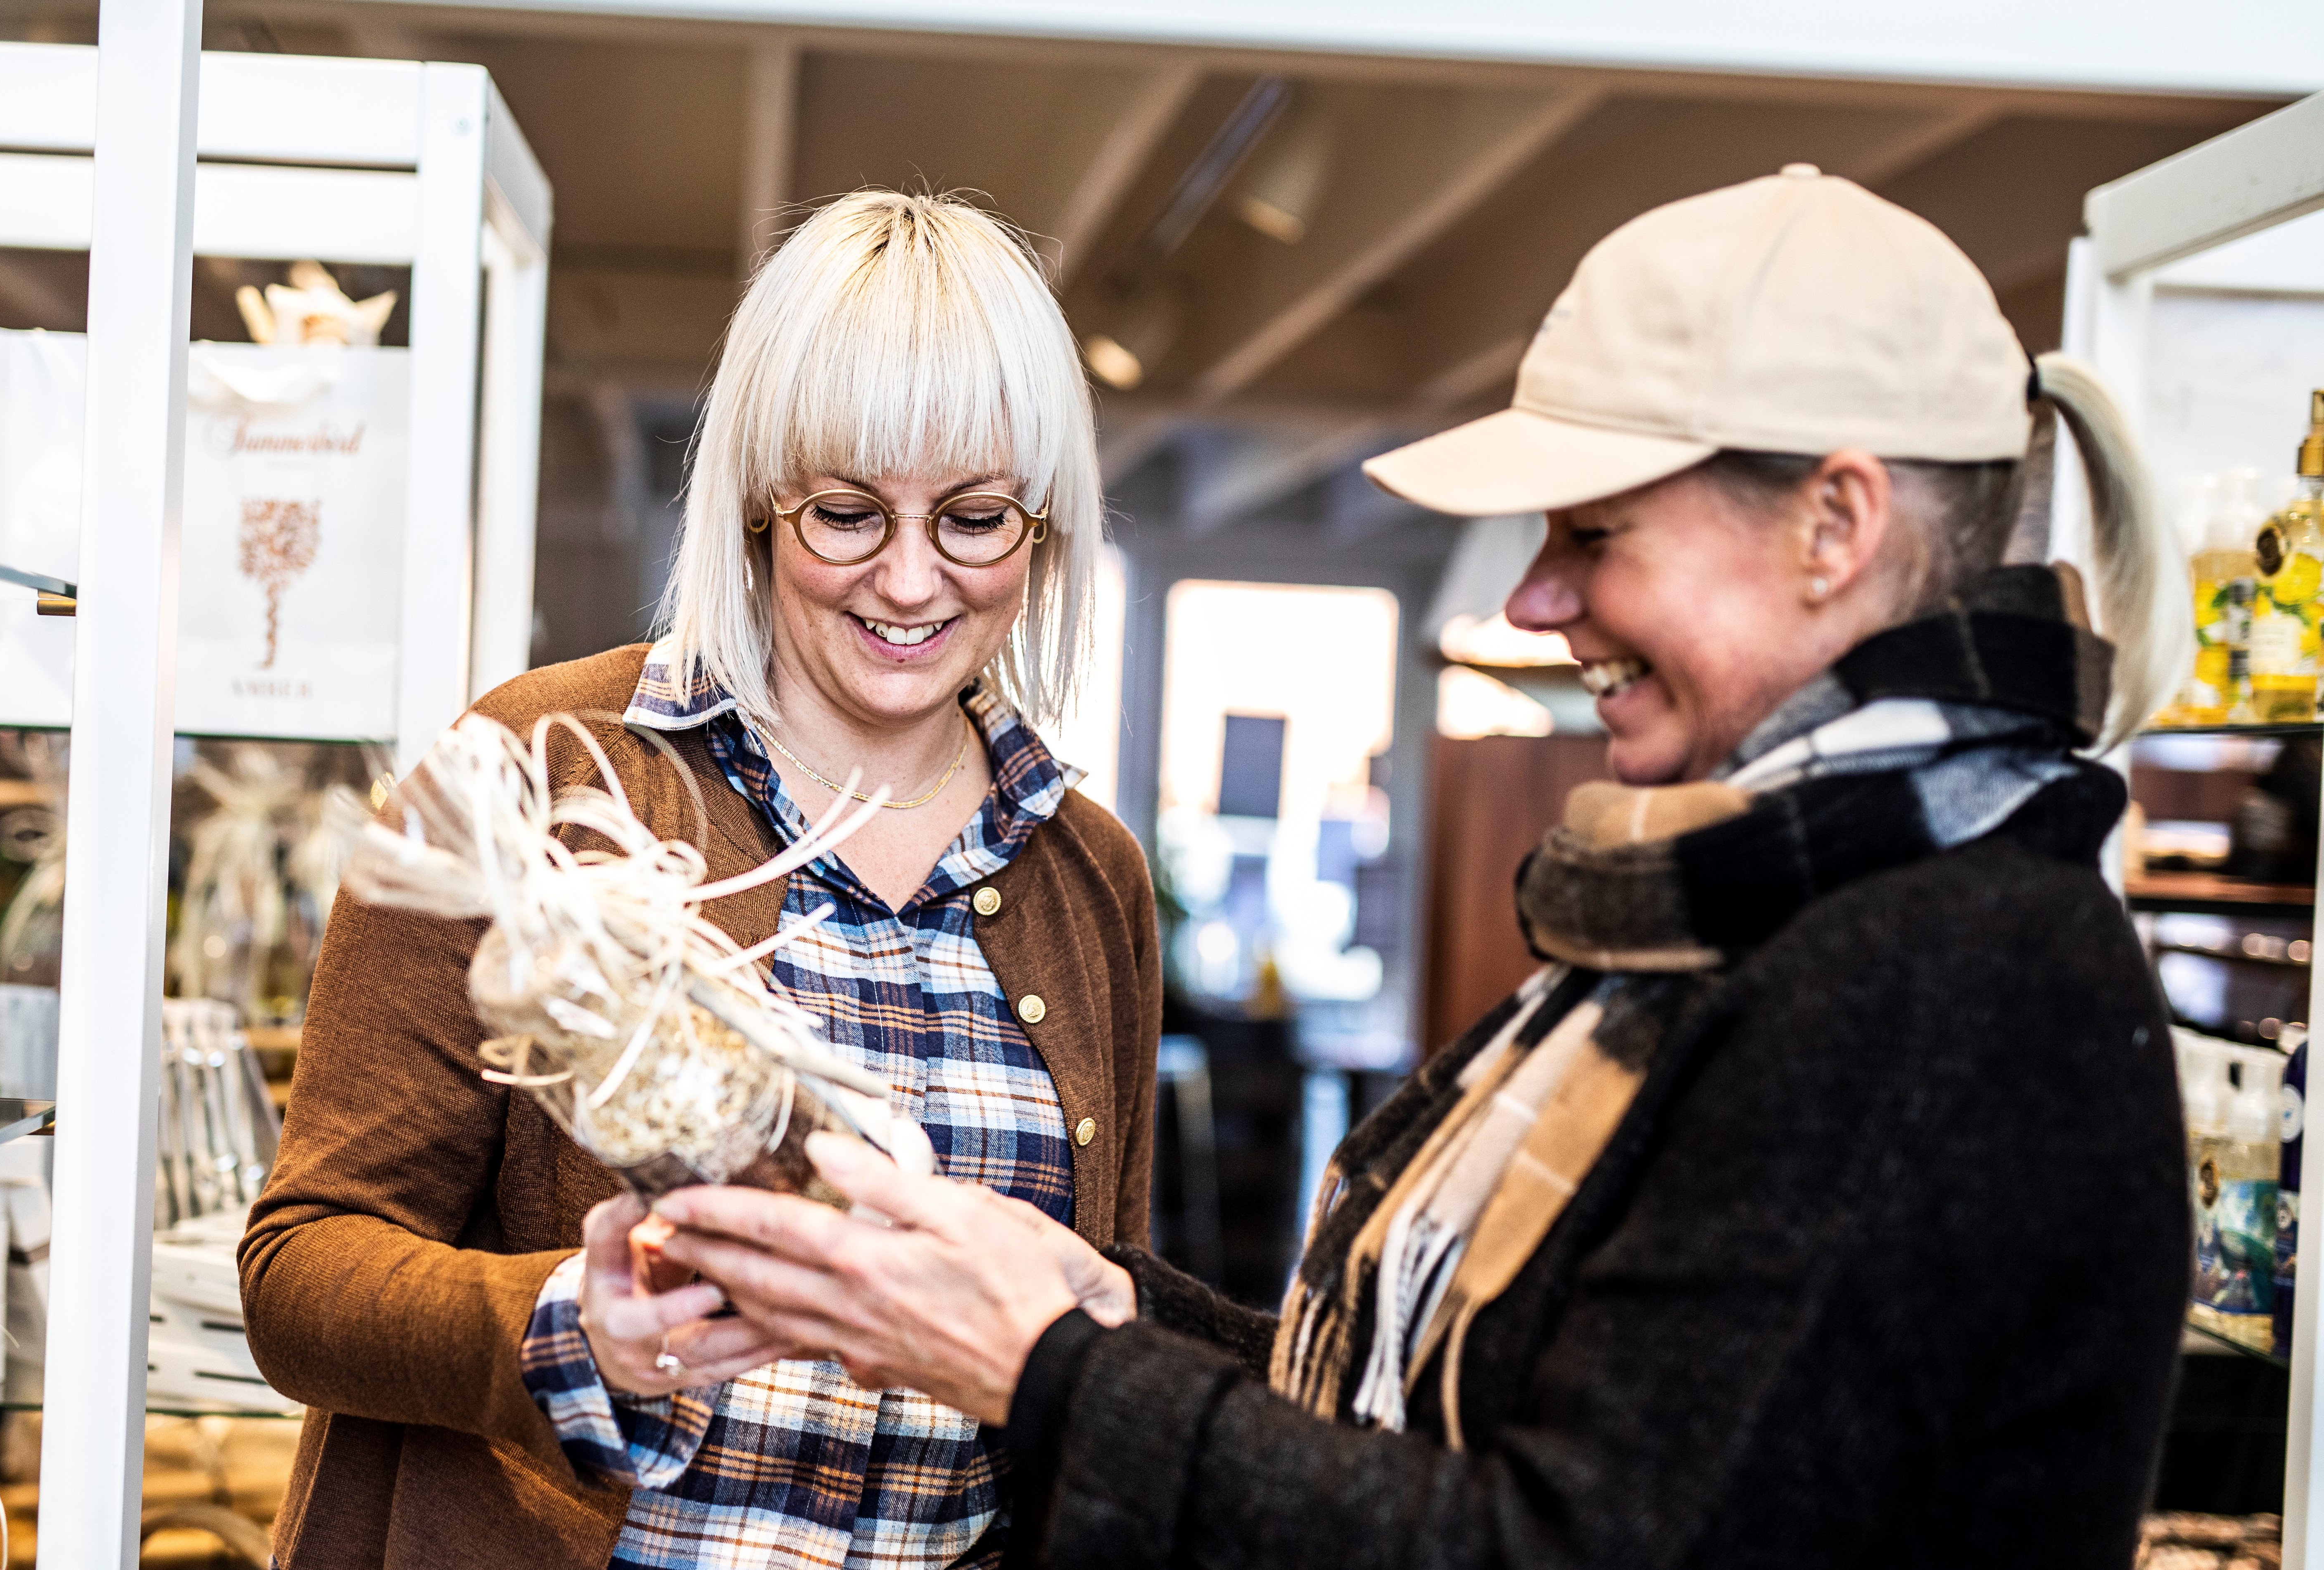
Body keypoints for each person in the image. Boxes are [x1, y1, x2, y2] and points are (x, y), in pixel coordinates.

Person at [650, 165, 2194, 1568]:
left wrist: (1054, 1371)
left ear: (1833, 525)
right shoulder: (1777, 901)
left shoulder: (1940, 977)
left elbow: (1543, 1542)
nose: (1535, 600)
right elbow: (1444, 1433)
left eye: (1595, 535)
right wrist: (1112, 1306)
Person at [238, 189, 1162, 1570]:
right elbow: (302, 1266)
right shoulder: (536, 773)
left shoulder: (1090, 876)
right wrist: (571, 1326)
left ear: (1044, 525)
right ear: (756, 504)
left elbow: (1100, 1329)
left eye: (975, 519)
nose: (913, 581)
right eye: (846, 513)